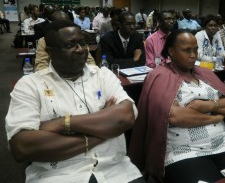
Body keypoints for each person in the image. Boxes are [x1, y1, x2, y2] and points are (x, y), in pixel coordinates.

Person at [5, 20, 145, 183]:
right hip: (58, 175)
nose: (80, 50)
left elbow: (126, 117)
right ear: (50, 52)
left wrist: (62, 123)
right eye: (70, 45)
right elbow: (22, 147)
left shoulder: (103, 75)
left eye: (82, 43)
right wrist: (105, 128)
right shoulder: (30, 85)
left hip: (116, 171)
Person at [129, 29, 225, 183]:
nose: (193, 55)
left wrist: (207, 106)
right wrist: (216, 117)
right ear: (171, 51)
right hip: (184, 149)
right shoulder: (160, 75)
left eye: (195, 49)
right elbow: (176, 116)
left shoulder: (204, 72)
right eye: (186, 50)